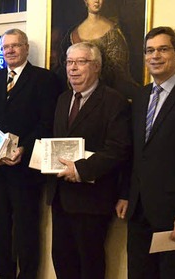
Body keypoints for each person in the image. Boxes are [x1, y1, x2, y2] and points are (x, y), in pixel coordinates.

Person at [0, 28, 62, 279]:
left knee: (26, 231)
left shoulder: (44, 79)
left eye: (15, 45)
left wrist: (24, 148)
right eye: (5, 47)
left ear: (26, 48)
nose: (9, 50)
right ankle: (3, 274)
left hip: (25, 172)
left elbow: (47, 123)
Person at [46, 42, 131, 279]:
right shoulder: (63, 99)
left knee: (90, 264)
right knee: (62, 260)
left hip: (92, 199)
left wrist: (81, 169)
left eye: (80, 62)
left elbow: (118, 149)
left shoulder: (114, 101)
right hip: (61, 196)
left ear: (96, 66)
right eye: (69, 62)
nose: (73, 68)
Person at [126, 26, 175, 279]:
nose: (155, 56)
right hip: (138, 210)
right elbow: (136, 153)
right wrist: (126, 195)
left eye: (163, 49)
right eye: (149, 51)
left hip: (174, 214)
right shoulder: (140, 96)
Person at [63, 0, 138, 99]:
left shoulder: (114, 30)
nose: (97, 1)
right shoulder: (74, 34)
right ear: (86, 1)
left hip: (110, 95)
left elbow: (121, 70)